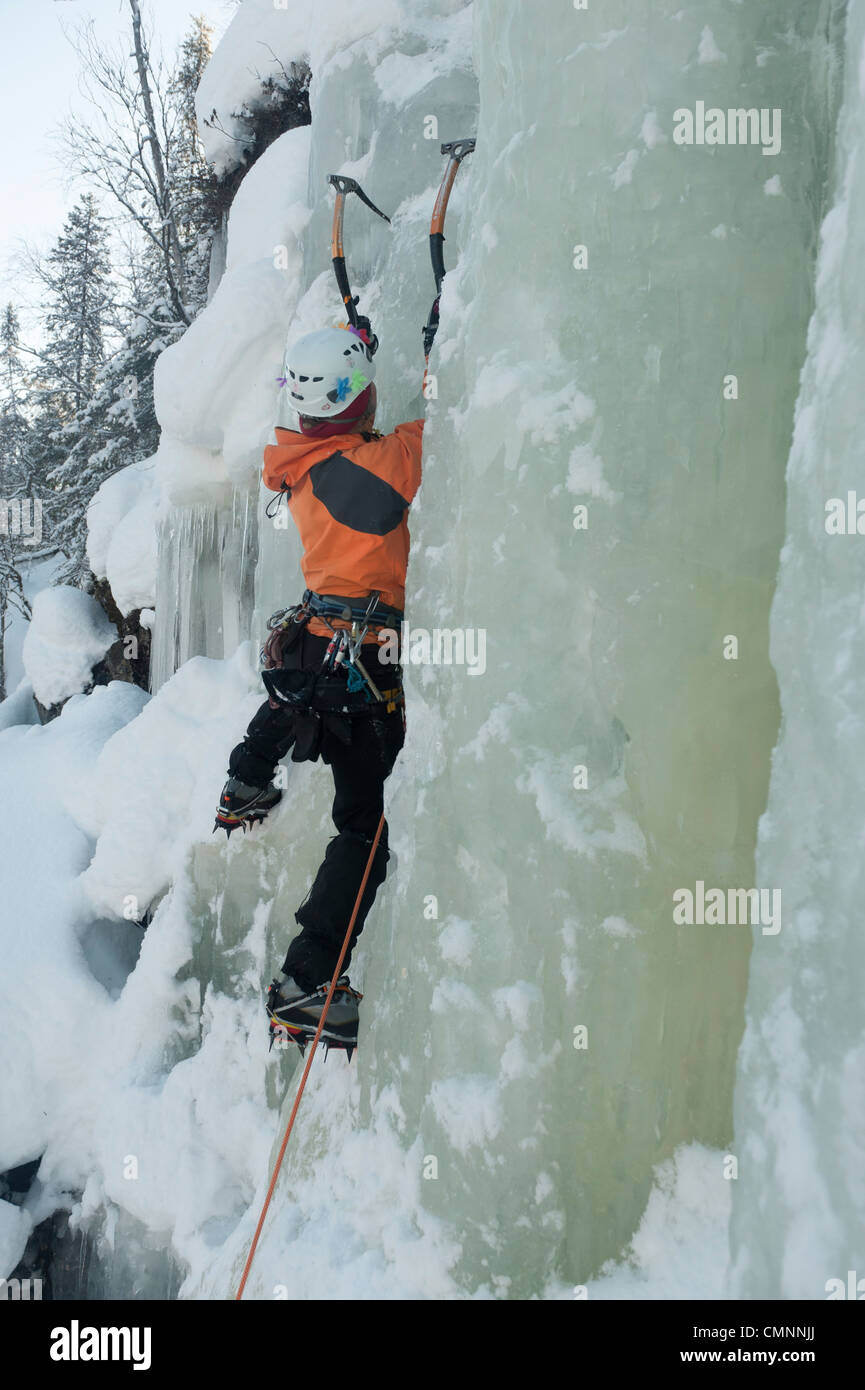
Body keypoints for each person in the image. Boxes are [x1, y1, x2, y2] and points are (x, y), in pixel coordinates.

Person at [216, 322, 423, 1055]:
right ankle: (307, 981)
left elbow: (349, 421)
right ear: (358, 398)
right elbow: (442, 430)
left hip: (323, 644)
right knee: (366, 827)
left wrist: (352, 349)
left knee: (289, 696)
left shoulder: (303, 458)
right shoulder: (377, 465)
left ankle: (244, 784)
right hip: (361, 664)